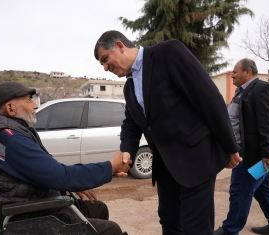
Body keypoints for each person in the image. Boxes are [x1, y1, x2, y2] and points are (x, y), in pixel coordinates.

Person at [94, 30, 242, 235]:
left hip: (195, 159)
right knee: (169, 222)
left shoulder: (168, 53)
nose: (105, 68)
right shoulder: (129, 87)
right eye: (102, 64)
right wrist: (127, 148)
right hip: (165, 166)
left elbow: (208, 98)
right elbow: (131, 123)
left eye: (105, 59)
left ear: (120, 46)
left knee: (195, 227)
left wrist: (229, 146)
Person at [0, 81, 130, 235]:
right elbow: (60, 176)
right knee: (112, 230)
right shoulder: (10, 139)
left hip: (38, 204)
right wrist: (111, 166)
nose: (35, 106)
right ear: (11, 108)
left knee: (98, 208)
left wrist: (72, 184)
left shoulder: (13, 132)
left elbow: (48, 171)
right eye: (29, 100)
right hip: (32, 216)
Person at [214, 59, 269, 235]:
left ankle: (229, 230)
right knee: (263, 191)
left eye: (235, 72)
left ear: (247, 72)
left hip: (256, 157)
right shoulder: (241, 92)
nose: (232, 75)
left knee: (240, 190)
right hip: (255, 154)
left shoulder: (262, 89)